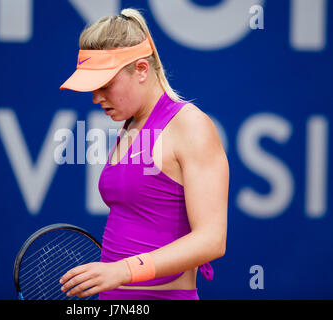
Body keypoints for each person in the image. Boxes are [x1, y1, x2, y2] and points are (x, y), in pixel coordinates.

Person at [58, 8, 229, 300]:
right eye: (92, 87)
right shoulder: (131, 124)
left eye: (106, 85)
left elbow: (212, 240)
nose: (96, 98)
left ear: (141, 69)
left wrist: (122, 271)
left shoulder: (191, 125)